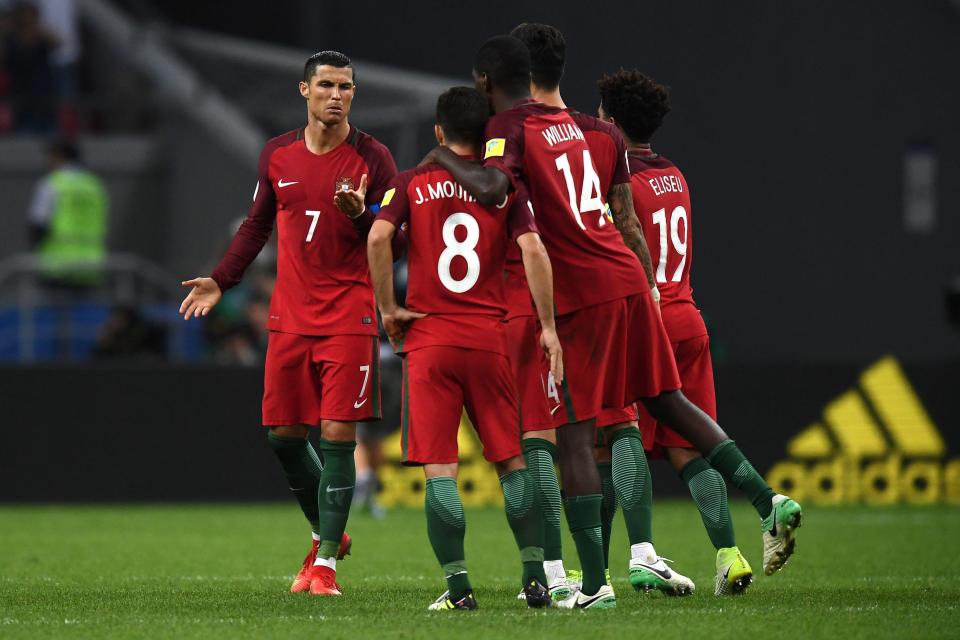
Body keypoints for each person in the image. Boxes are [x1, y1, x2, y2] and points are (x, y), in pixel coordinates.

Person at [422, 35, 661, 610]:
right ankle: (635, 555)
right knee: (617, 422)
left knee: (530, 442)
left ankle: (548, 572)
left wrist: (388, 307)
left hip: (512, 311)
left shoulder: (494, 145)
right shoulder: (594, 135)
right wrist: (650, 286)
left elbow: (390, 237)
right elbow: (612, 221)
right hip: (600, 292)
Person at [178, 50, 397, 597]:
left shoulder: (374, 158)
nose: (337, 96)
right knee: (283, 437)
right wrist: (221, 280)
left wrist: (363, 216)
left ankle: (325, 564)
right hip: (291, 317)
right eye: (326, 85)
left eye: (346, 87)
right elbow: (256, 227)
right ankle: (330, 530)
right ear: (305, 91)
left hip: (350, 313)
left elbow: (400, 241)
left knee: (338, 433)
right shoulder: (277, 155)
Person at [509, 22, 693, 597]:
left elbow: (509, 217)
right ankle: (647, 551)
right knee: (635, 425)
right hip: (637, 291)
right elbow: (628, 224)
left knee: (551, 436)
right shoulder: (621, 148)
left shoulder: (513, 134)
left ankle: (563, 576)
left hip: (556, 302)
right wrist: (651, 286)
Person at [368, 86, 562, 611]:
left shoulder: (410, 182)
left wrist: (388, 309)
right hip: (490, 338)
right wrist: (547, 325)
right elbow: (534, 250)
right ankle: (535, 580)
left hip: (430, 340)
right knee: (512, 463)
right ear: (487, 135)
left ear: (437, 132)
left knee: (440, 470)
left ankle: (459, 589)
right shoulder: (504, 189)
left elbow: (378, 239)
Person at [598, 70, 762, 593]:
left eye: (600, 115)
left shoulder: (617, 184)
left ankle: (597, 570)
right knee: (688, 449)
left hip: (644, 321)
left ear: (613, 122)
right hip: (689, 319)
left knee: (609, 442)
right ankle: (731, 556)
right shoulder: (676, 174)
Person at [28, 138, 108, 288]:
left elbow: (38, 225)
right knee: (86, 311)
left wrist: (35, 252)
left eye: (51, 155)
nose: (48, 160)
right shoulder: (95, 186)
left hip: (57, 266)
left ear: (59, 156)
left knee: (55, 311)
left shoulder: (51, 184)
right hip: (90, 265)